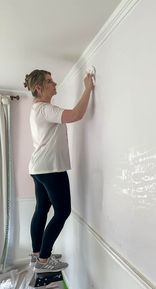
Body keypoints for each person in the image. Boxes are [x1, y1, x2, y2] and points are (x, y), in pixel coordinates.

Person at [24, 69, 94, 272]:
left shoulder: (35, 110)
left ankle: (37, 255)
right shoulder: (45, 109)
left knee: (42, 209)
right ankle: (44, 260)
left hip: (38, 168)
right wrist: (88, 88)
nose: (55, 84)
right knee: (63, 211)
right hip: (51, 168)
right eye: (49, 81)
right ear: (39, 87)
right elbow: (77, 114)